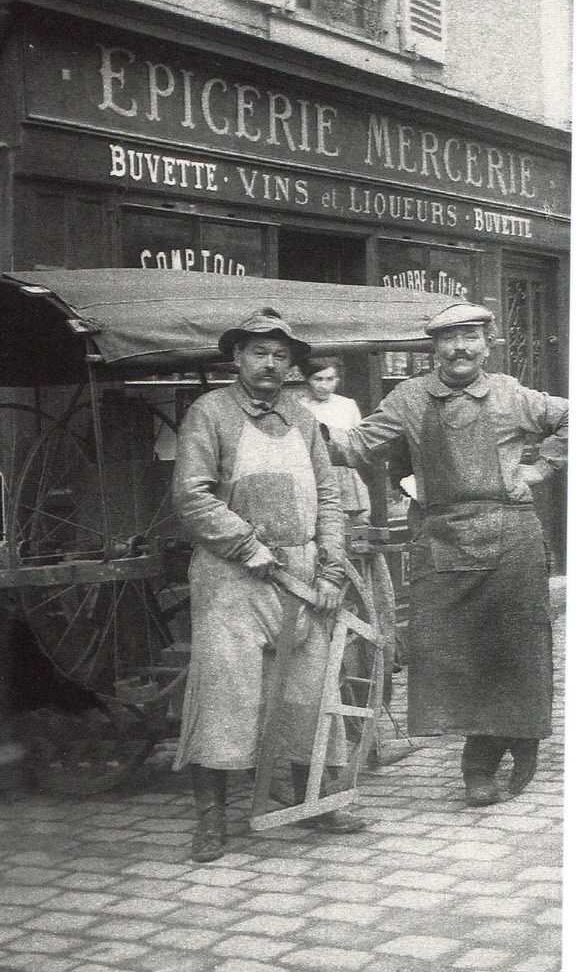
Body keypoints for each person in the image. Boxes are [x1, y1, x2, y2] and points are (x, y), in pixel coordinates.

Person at [327, 301, 568, 807]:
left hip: (512, 541)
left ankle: (487, 759)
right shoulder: (409, 398)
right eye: (448, 338)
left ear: (487, 343)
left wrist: (543, 466)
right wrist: (300, 428)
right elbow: (357, 445)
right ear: (432, 346)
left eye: (471, 337)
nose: (460, 348)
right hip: (442, 542)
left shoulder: (510, 394)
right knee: (449, 661)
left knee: (516, 654)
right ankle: (503, 739)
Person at [171, 307, 366, 862]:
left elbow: (328, 497)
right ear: (237, 357)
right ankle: (211, 819)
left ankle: (318, 801)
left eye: (282, 356)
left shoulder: (304, 419)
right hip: (232, 577)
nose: (271, 364)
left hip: (301, 576)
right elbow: (192, 495)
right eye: (259, 352)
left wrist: (330, 568)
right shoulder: (209, 414)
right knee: (225, 695)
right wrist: (246, 545)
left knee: (310, 691)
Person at [298, 357, 372, 522]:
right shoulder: (300, 407)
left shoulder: (347, 405)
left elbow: (357, 441)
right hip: (314, 474)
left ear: (337, 380)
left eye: (330, 379)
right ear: (307, 380)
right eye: (318, 379)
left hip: (346, 474)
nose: (324, 385)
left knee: (356, 522)